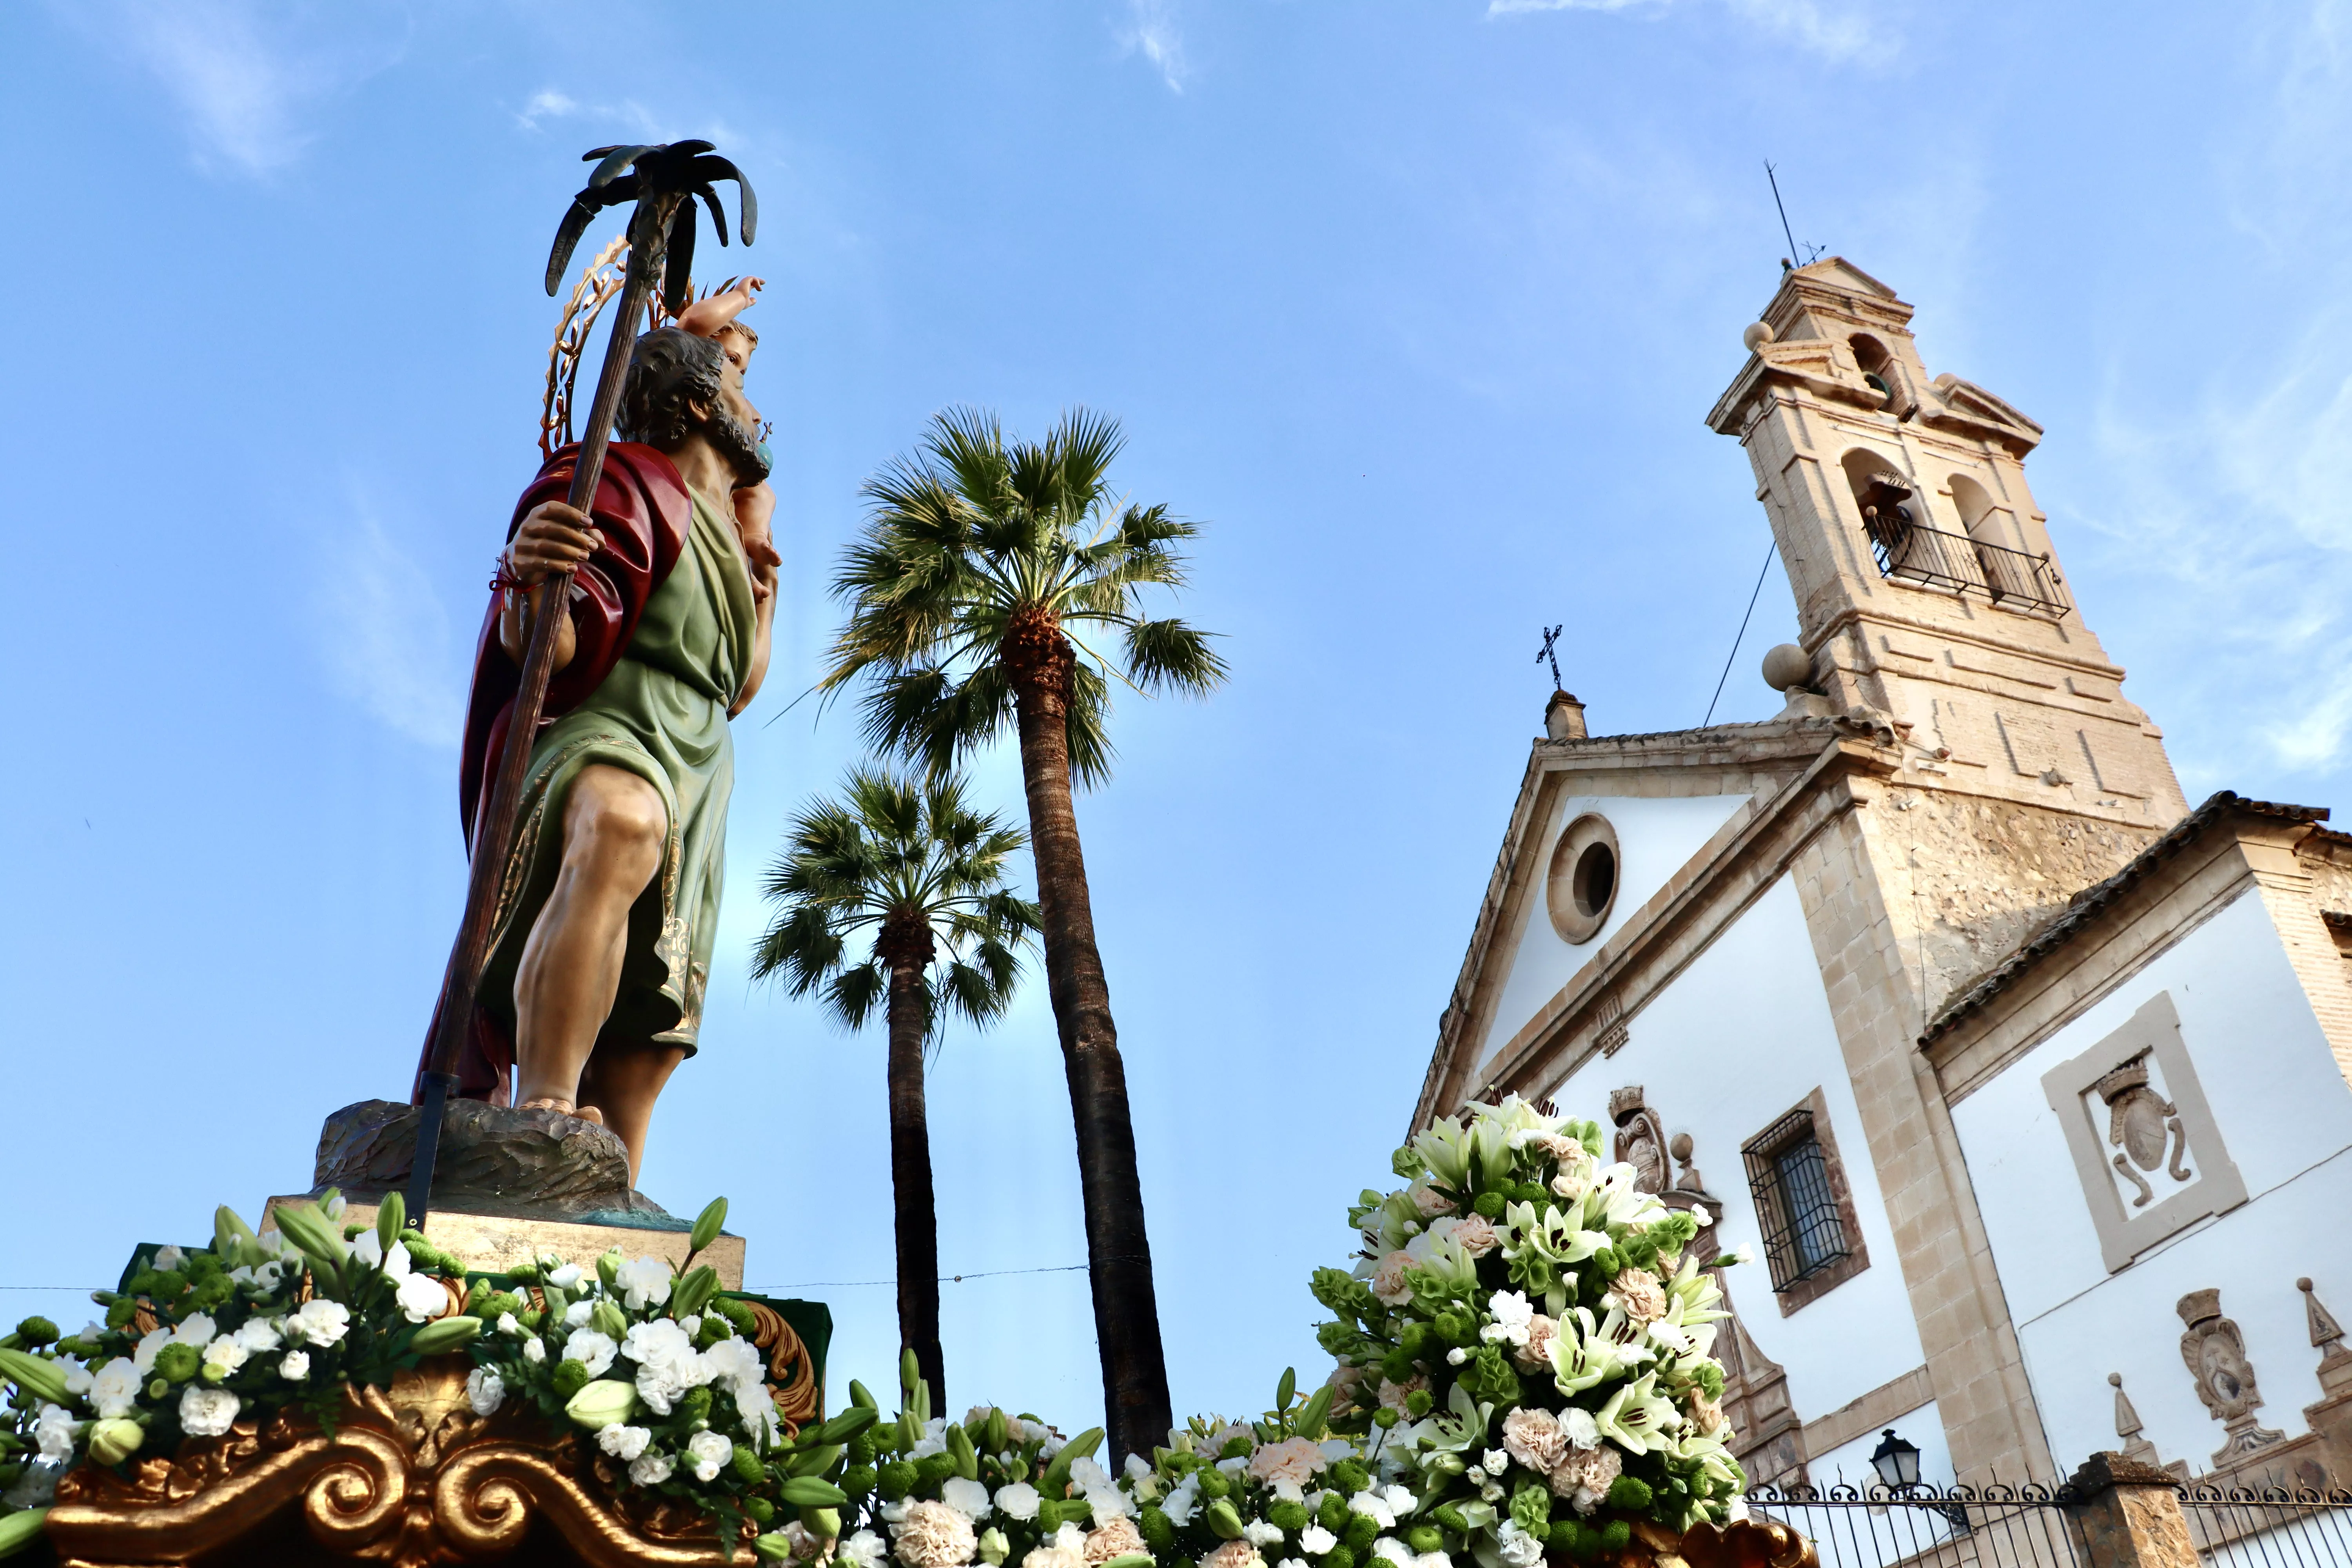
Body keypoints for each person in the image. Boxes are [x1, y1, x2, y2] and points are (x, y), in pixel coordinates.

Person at [416, 318, 782, 1183]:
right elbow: (557, 630)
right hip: (607, 729)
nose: (757, 411)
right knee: (621, 821)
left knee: (648, 1029)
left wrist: (759, 537)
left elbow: (740, 683)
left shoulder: (735, 540)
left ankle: (613, 1204)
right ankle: (541, 1109)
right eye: (736, 388)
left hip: (699, 756)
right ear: (697, 402)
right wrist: (531, 580)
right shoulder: (626, 481)